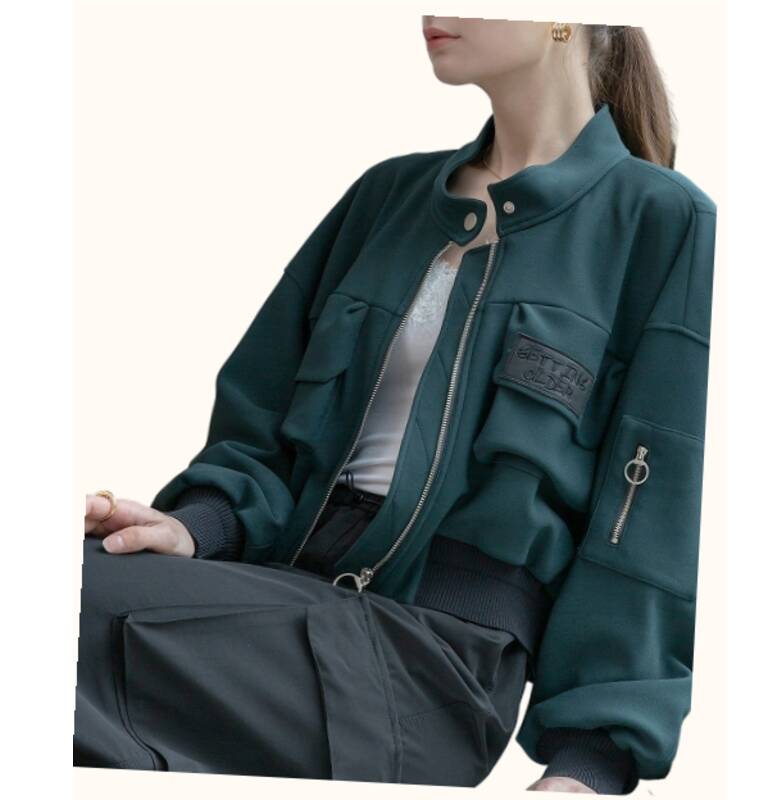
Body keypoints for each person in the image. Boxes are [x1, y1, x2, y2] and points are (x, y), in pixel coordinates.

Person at [74, 17, 717, 795]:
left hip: (432, 669)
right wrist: (196, 524)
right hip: (280, 599)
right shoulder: (388, 197)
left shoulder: (662, 222)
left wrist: (587, 768)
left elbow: (650, 519)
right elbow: (261, 422)